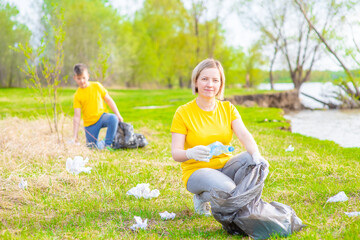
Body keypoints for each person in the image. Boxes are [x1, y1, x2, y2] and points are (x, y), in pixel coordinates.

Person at [170, 58, 268, 216]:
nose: (210, 84)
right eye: (204, 79)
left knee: (254, 163)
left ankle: (240, 201)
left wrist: (256, 154)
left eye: (215, 80)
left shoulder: (227, 108)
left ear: (220, 84)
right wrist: (190, 153)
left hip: (225, 167)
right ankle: (202, 197)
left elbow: (243, 134)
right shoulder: (183, 112)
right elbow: (176, 153)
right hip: (197, 171)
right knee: (229, 190)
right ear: (195, 81)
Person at [72, 63, 123, 149]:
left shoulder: (97, 86)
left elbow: (109, 100)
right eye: (79, 79)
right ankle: (102, 143)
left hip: (102, 117)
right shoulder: (77, 95)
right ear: (75, 78)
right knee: (92, 148)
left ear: (88, 76)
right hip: (90, 124)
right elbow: (77, 116)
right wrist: (75, 136)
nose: (82, 81)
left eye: (84, 78)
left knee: (113, 118)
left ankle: (108, 145)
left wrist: (118, 114)